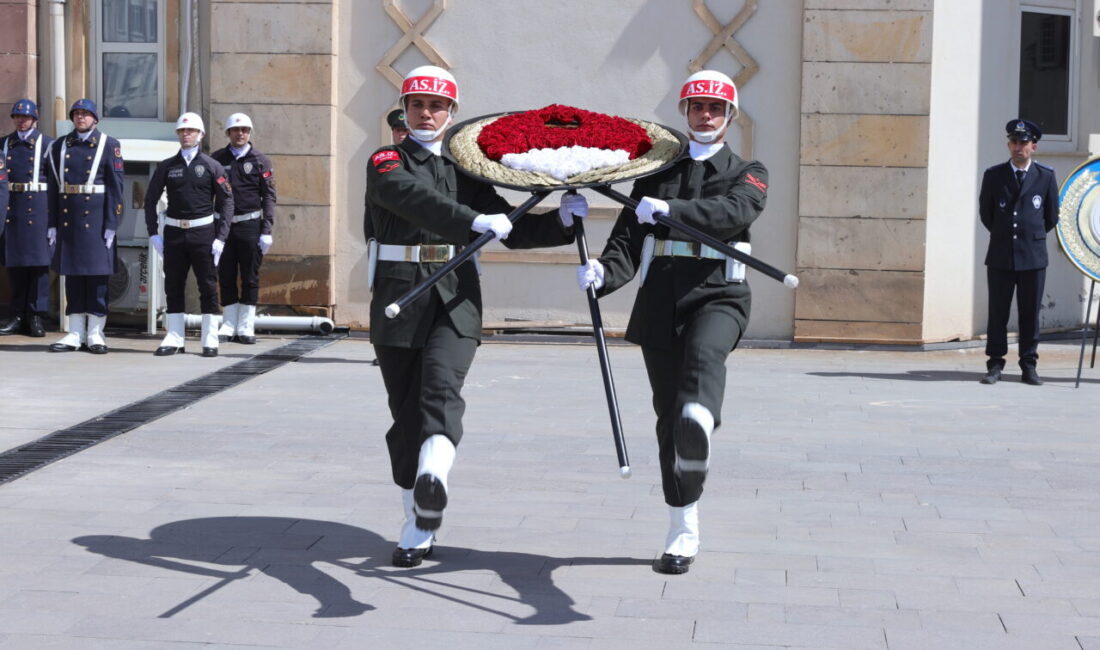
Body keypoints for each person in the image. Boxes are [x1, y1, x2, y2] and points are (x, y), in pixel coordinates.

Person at [366, 65, 585, 568]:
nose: (426, 113)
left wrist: (561, 223)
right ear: (405, 108)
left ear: (452, 112)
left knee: (441, 390)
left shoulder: (469, 169)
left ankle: (431, 490)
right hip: (400, 296)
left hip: (456, 296)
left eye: (437, 105)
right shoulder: (385, 160)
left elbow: (506, 225)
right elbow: (412, 199)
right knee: (405, 418)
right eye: (417, 104)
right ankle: (415, 511)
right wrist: (471, 220)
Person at [577, 70, 768, 575]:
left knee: (705, 360)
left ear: (730, 116)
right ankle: (683, 524)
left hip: (719, 293)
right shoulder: (655, 172)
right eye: (696, 107)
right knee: (668, 419)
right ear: (684, 112)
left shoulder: (748, 170)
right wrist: (603, 273)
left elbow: (733, 212)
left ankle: (701, 419)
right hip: (662, 299)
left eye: (715, 108)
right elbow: (626, 241)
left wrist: (674, 209)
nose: (705, 115)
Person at [144, 112, 234, 358]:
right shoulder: (167, 166)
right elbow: (150, 199)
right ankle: (175, 337)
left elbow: (227, 201)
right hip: (173, 233)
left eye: (191, 131)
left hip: (203, 233)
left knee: (207, 285)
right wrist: (153, 233)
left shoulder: (211, 165)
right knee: (173, 285)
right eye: (182, 131)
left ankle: (209, 337)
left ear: (200, 135)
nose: (186, 135)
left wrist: (221, 237)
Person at [978, 119, 1059, 386]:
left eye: (1023, 142)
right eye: (1014, 142)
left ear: (1033, 146)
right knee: (998, 312)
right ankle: (995, 364)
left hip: (1033, 256)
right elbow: (986, 214)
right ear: (1008, 144)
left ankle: (1028, 365)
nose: (1018, 147)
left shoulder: (1045, 176)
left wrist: (1028, 236)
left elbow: (1051, 217)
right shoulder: (994, 175)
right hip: (1001, 255)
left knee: (1029, 313)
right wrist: (1005, 235)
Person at [46, 99, 125, 354]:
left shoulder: (108, 145)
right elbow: (53, 190)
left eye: (86, 114)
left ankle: (95, 333)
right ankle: (75, 331)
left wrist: (112, 223)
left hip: (97, 221)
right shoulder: (59, 146)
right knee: (73, 277)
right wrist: (52, 224)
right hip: (69, 221)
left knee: (97, 278)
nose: (81, 118)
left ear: (95, 119)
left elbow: (116, 188)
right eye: (77, 114)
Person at [211, 113, 276, 345]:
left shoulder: (260, 160)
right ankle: (229, 323)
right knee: (226, 274)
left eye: (245, 130)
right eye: (236, 130)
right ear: (228, 133)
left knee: (249, 276)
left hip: (250, 225)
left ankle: (246, 326)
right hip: (223, 227)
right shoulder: (217, 159)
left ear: (249, 133)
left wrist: (266, 230)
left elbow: (268, 196)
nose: (241, 134)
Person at [0, 99, 53, 338]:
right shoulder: (4, 145)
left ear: (35, 118)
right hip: (12, 206)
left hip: (37, 206)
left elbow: (55, 181)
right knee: (15, 264)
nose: (21, 121)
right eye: (17, 117)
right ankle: (18, 313)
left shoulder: (48, 145)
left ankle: (36, 314)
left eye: (26, 117)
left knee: (38, 265)